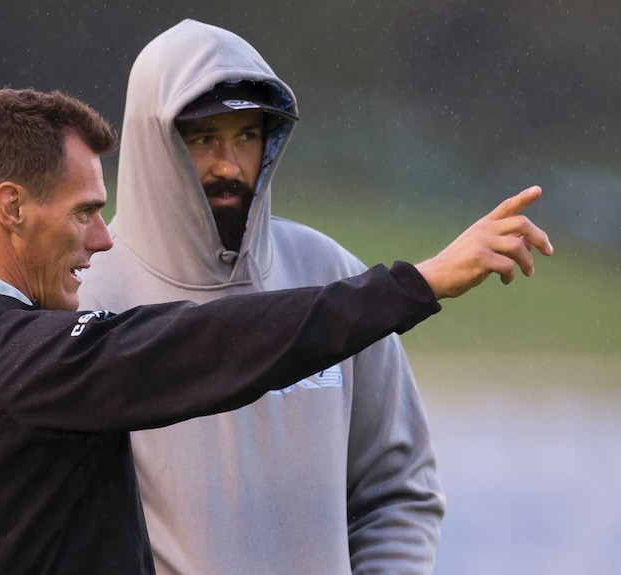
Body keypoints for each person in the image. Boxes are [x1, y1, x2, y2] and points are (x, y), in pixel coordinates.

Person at [0, 87, 551, 575]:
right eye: (85, 212)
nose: (103, 240)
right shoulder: (25, 365)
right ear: (11, 208)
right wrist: (419, 281)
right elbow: (213, 343)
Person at [77, 19, 550, 575]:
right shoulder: (82, 298)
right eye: (204, 139)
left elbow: (398, 491)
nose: (229, 165)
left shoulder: (331, 274)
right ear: (153, 141)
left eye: (247, 136)